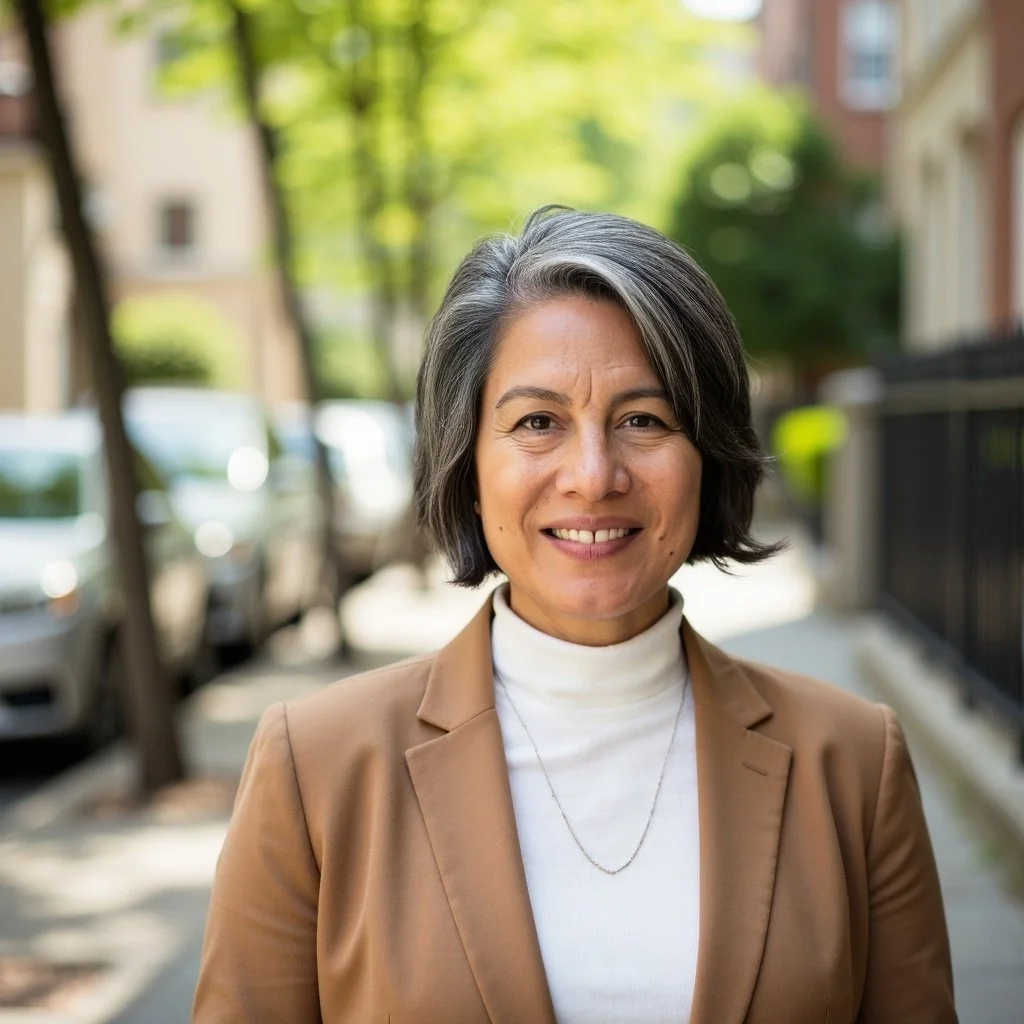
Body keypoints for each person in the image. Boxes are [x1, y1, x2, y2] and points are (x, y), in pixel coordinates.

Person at [193, 208, 956, 1023]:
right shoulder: (316, 770)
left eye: (643, 420)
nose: (593, 476)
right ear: (469, 463)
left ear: (708, 454)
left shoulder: (852, 765)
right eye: (537, 423)